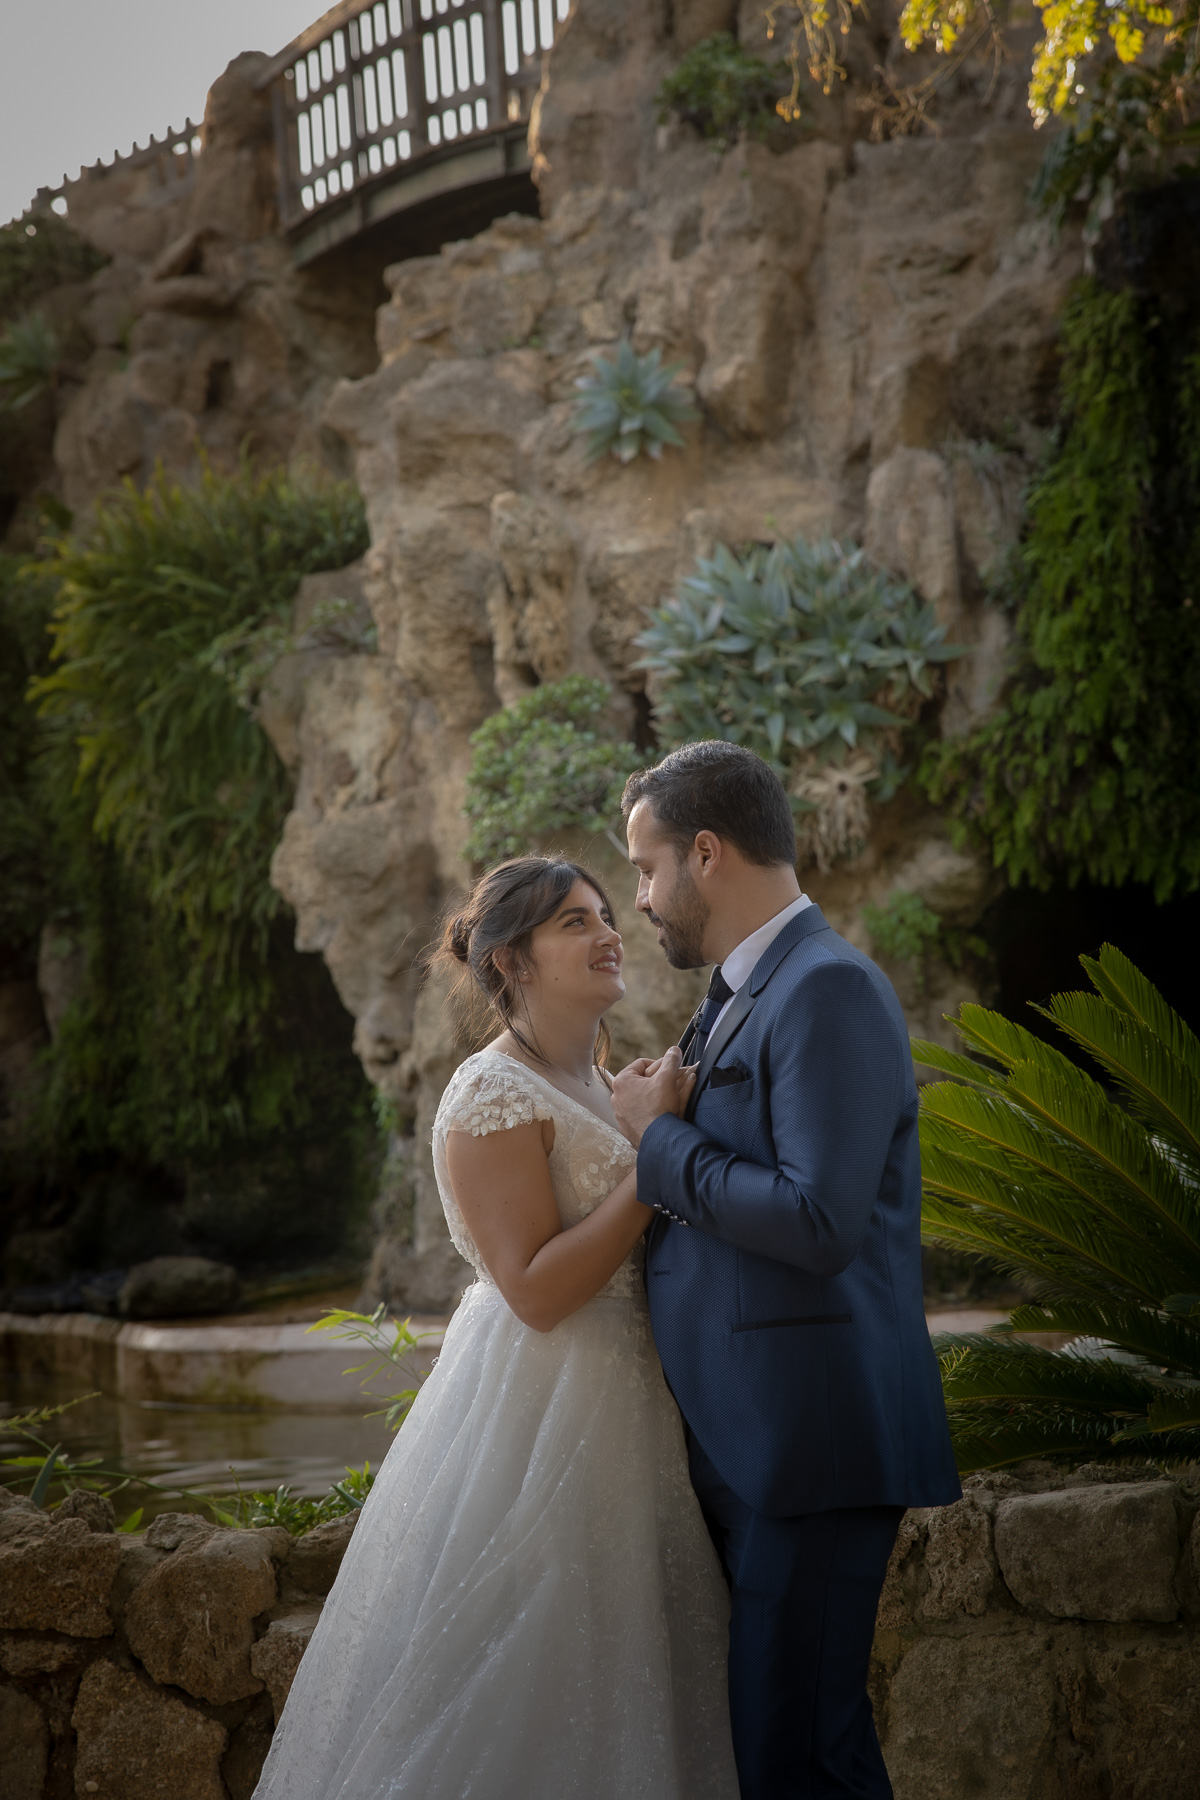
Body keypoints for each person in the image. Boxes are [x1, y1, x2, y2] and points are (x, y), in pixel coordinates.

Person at [252, 855, 739, 1800]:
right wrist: (657, 1155)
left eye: (606, 914)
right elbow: (536, 1292)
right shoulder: (490, 1094)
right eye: (574, 922)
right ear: (511, 961)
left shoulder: (602, 1081)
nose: (609, 934)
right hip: (543, 1414)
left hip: (632, 1414)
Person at [612, 741, 962, 1800]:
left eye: (645, 868)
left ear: (705, 853)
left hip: (810, 1442)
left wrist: (659, 1142)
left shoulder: (827, 987)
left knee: (800, 1761)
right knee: (786, 1757)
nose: (640, 900)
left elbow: (819, 1219)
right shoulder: (741, 991)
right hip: (755, 1442)